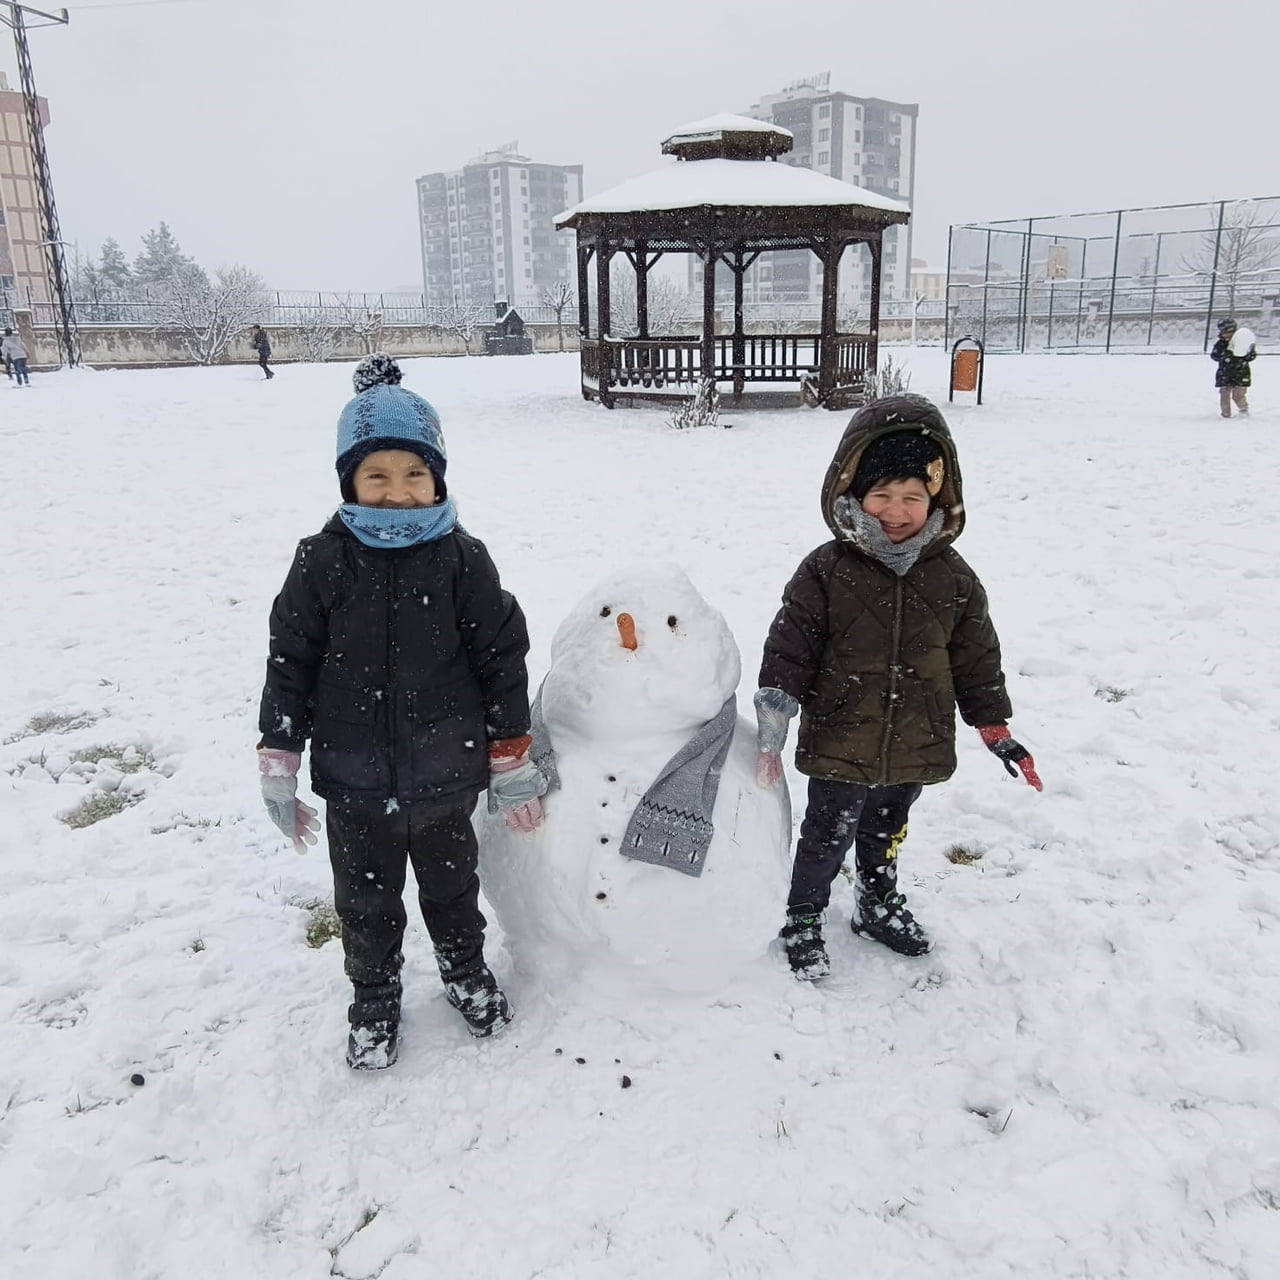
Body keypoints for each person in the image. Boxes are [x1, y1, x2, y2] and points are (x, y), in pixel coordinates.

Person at [256, 352, 546, 1069]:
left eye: (415, 474)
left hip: (447, 774)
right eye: (376, 476)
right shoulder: (320, 562)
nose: (397, 493)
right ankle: (375, 992)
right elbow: (290, 660)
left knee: (453, 888)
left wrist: (511, 754)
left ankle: (463, 968)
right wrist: (278, 757)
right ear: (349, 481)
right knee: (364, 900)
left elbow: (501, 659)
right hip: (354, 780)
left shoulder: (462, 560)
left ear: (437, 477)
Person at [755, 394, 1042, 980]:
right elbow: (791, 645)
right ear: (853, 493)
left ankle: (876, 902)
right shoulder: (826, 569)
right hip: (842, 733)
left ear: (936, 497)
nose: (896, 510)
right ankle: (804, 914)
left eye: (912, 496)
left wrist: (993, 725)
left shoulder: (954, 578)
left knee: (885, 829)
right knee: (826, 834)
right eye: (882, 495)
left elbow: (976, 656)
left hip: (915, 734)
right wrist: (776, 713)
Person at [1210, 318, 1254, 418]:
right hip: (1225, 373)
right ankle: (1225, 414)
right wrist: (1224, 354)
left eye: (1227, 332)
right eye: (1223, 333)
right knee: (1224, 394)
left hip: (1241, 372)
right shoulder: (1220, 343)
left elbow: (1251, 356)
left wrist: (1247, 355)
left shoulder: (1243, 342)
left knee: (1238, 395)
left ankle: (1243, 409)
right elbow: (1214, 356)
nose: (1225, 335)